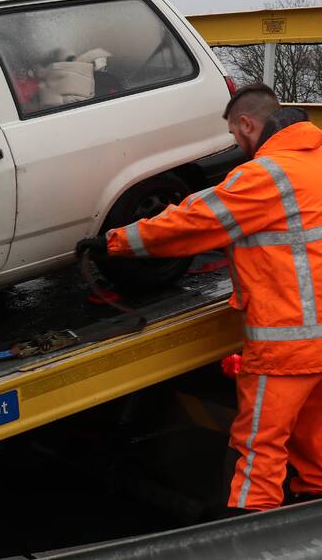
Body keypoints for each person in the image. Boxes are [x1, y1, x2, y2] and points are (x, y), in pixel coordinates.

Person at [76, 83, 322, 512]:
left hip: (288, 343)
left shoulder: (265, 176)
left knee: (260, 449)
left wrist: (115, 242)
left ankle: (249, 536)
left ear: (247, 123)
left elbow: (193, 223)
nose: (236, 144)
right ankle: (310, 510)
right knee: (314, 439)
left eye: (233, 135)